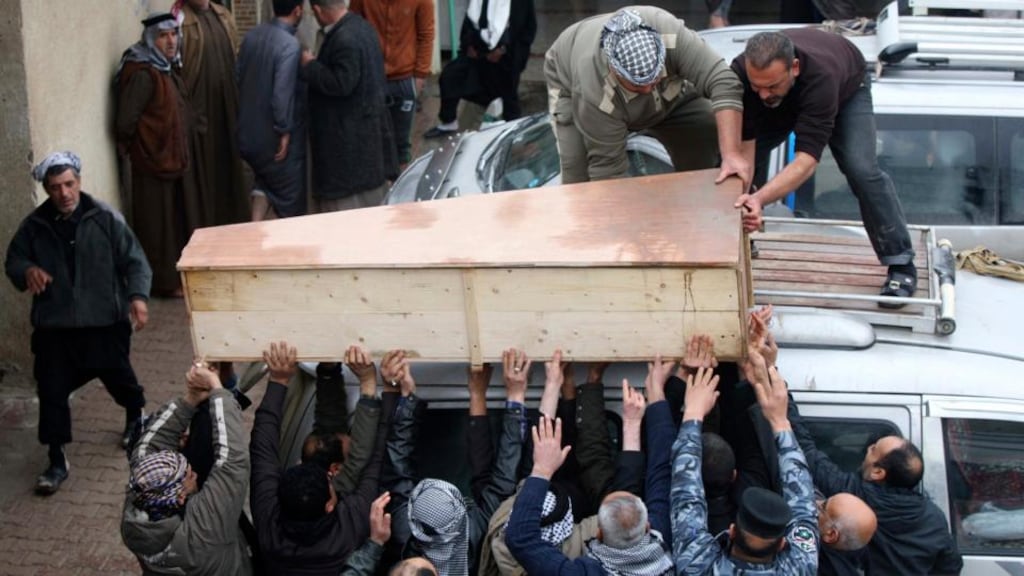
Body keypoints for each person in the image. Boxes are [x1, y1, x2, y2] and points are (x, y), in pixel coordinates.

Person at [731, 30, 917, 305]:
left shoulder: (822, 78)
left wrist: (759, 199)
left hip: (846, 90)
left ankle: (900, 262)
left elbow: (806, 161)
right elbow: (745, 147)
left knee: (861, 168)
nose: (762, 94)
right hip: (795, 90)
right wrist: (745, 199)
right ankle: (740, 242)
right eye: (756, 86)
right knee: (730, 169)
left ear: (794, 67)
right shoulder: (742, 74)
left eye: (770, 86)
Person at [5, 151, 151, 495]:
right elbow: (14, 259)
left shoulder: (104, 218)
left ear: (79, 182)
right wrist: (27, 271)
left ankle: (134, 414)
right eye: (55, 187)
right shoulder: (35, 226)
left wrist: (138, 297)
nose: (64, 193)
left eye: (69, 184)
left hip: (104, 320)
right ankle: (56, 459)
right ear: (46, 189)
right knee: (51, 388)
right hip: (55, 326)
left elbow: (135, 261)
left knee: (118, 374)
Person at [544, 6, 749, 187]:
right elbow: (607, 170)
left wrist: (732, 155)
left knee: (706, 122)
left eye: (655, 80)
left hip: (672, 98)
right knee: (579, 176)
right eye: (637, 85)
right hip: (570, 81)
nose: (647, 90)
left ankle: (693, 199)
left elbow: (723, 81)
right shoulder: (594, 91)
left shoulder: (672, 36)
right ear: (614, 70)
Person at [250, 341, 395, 573]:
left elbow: (262, 450)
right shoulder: (352, 524)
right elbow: (371, 459)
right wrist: (372, 383)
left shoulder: (269, 524)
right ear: (329, 505)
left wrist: (282, 379)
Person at [671, 357, 819, 574]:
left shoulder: (801, 567)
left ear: (731, 531)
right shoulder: (697, 566)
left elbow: (802, 500)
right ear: (781, 544)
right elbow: (685, 496)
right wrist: (693, 414)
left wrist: (780, 422)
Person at [788, 396, 963, 573]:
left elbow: (807, 452)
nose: (868, 447)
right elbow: (950, 567)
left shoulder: (854, 497)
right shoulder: (934, 518)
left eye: (874, 450)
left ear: (878, 473)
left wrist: (778, 390)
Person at [400, 349, 527, 576]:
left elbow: (396, 470)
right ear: (462, 511)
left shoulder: (401, 535)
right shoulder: (479, 533)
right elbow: (504, 477)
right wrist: (514, 397)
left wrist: (493, 396)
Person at [504, 407, 674, 576]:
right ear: (647, 526)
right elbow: (661, 479)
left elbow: (520, 538)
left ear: (599, 534)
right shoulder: (665, 548)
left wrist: (542, 468)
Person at [120, 361, 252, 574]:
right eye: (188, 474)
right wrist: (218, 389)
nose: (193, 472)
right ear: (181, 497)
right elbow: (232, 463)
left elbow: (148, 445)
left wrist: (191, 399)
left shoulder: (136, 509)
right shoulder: (205, 527)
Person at [115, 11, 194, 297]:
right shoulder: (144, 73)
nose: (171, 41)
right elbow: (125, 122)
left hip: (168, 161)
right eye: (163, 35)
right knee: (157, 226)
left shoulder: (165, 68)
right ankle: (162, 283)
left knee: (171, 224)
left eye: (174, 34)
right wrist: (148, 147)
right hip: (151, 162)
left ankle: (172, 279)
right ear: (151, 39)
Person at [303, 0, 397, 211]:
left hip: (348, 146)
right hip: (367, 140)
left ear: (318, 10)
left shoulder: (344, 39)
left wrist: (310, 66)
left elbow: (341, 83)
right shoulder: (363, 27)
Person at [175, 0, 248, 226]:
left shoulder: (223, 15)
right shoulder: (180, 19)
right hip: (201, 109)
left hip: (228, 105)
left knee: (231, 166)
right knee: (206, 170)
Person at [236, 0, 308, 220]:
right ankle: (279, 250)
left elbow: (238, 77)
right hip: (274, 139)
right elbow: (281, 94)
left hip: (248, 134)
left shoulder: (251, 36)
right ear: (298, 10)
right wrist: (284, 130)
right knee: (288, 200)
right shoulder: (289, 45)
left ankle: (252, 233)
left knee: (263, 183)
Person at [422, 0, 536, 138]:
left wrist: (502, 50)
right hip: (477, 51)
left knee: (508, 97)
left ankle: (514, 132)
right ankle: (449, 122)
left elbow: (526, 30)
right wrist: (468, 45)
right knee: (451, 76)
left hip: (506, 56)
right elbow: (470, 22)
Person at [351, 0, 435, 169]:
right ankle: (378, 190)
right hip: (371, 76)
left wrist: (419, 76)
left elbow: (426, 35)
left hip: (404, 79)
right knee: (371, 137)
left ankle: (400, 188)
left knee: (401, 143)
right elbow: (352, 28)